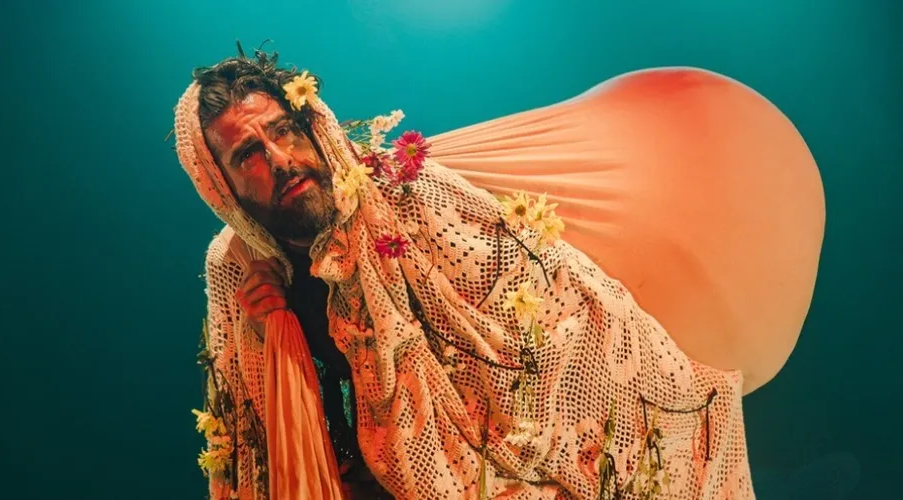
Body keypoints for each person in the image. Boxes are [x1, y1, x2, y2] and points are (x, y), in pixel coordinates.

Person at [174, 42, 824, 500]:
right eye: (248, 153)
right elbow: (257, 438)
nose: (280, 158)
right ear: (220, 186)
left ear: (312, 124)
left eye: (285, 130)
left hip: (504, 437)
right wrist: (268, 328)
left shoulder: (406, 192)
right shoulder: (240, 267)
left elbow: (543, 306)